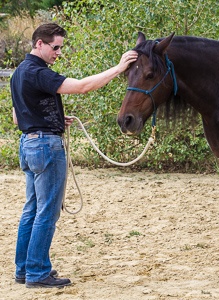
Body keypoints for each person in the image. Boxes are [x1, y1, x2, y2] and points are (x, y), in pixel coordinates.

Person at [10, 23, 138, 289]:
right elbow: (81, 87)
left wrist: (53, 117)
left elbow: (17, 115)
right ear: (39, 44)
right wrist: (119, 68)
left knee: (32, 210)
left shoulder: (19, 73)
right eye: (55, 47)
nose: (58, 53)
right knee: (46, 212)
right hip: (46, 147)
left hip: (28, 144)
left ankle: (24, 269)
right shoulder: (39, 73)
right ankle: (37, 272)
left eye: (60, 48)